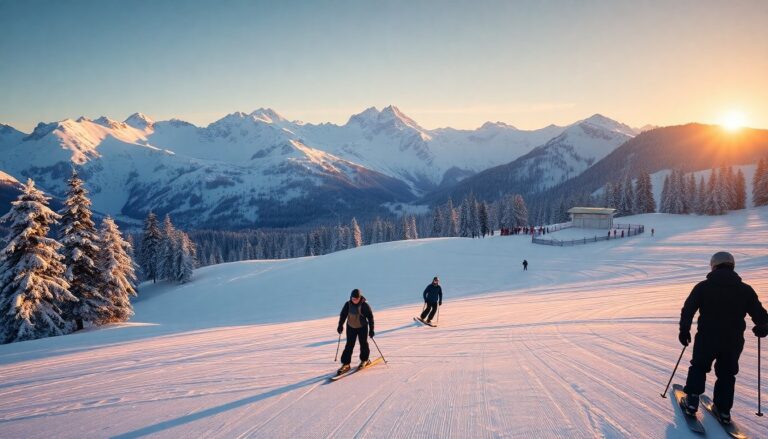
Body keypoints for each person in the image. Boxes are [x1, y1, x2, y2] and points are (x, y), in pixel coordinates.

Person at [678, 251, 768, 423]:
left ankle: (691, 402)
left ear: (714, 266)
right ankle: (723, 410)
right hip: (733, 341)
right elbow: (761, 316)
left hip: (707, 338)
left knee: (699, 366)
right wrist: (763, 328)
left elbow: (688, 310)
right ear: (732, 266)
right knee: (727, 372)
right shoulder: (745, 290)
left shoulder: (703, 287)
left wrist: (684, 330)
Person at [337, 289, 375, 374]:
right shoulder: (348, 304)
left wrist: (371, 329)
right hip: (351, 327)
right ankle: (346, 364)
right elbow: (343, 315)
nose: (354, 300)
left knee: (363, 344)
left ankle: (365, 360)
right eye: (353, 299)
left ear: (360, 298)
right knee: (349, 345)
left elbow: (370, 317)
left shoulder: (364, 305)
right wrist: (340, 325)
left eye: (356, 299)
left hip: (362, 327)